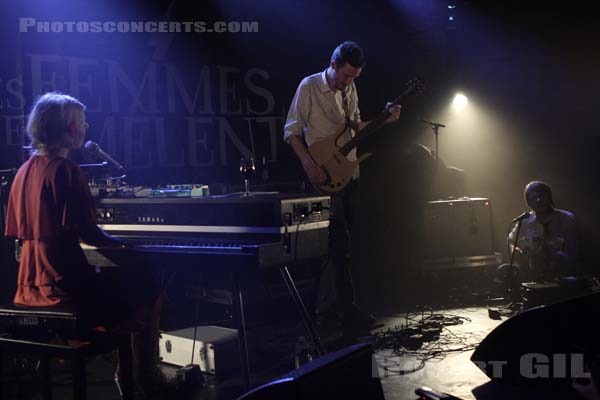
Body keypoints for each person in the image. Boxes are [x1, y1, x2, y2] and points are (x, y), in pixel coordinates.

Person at [4, 92, 172, 398]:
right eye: (81, 122)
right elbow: (91, 236)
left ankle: (131, 371)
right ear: (68, 128)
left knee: (131, 278)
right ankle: (143, 375)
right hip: (63, 286)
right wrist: (131, 250)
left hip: (28, 285)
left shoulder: (23, 172)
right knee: (150, 281)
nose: (86, 127)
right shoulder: (66, 171)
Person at [283, 41, 402, 334]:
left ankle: (344, 310)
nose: (348, 82)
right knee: (334, 246)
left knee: (347, 247)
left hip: (350, 173)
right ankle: (330, 313)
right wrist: (308, 164)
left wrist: (382, 121)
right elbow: (291, 131)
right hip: (323, 174)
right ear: (333, 65)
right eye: (346, 76)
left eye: (354, 78)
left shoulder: (349, 89)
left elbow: (353, 129)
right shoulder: (309, 87)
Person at [507, 180, 578, 283]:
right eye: (533, 198)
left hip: (562, 276)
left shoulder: (566, 218)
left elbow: (573, 251)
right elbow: (511, 241)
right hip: (533, 277)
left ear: (549, 197)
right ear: (529, 203)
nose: (539, 200)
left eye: (542, 196)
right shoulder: (524, 221)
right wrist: (515, 251)